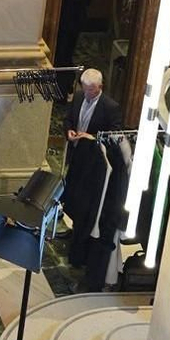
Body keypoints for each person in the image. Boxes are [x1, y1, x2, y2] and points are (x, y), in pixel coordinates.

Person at [61, 68, 123, 280]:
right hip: (77, 157)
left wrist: (92, 137)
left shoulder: (110, 107)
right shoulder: (78, 97)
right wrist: (69, 130)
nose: (88, 94)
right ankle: (74, 227)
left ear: (100, 88)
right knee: (72, 195)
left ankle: (80, 239)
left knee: (85, 202)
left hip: (95, 164)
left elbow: (115, 135)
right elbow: (69, 119)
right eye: (85, 90)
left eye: (92, 91)